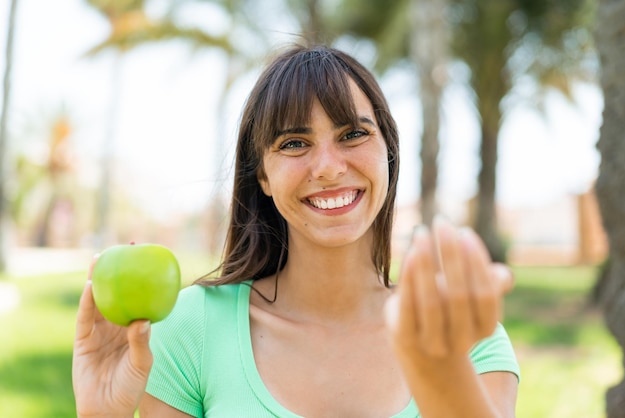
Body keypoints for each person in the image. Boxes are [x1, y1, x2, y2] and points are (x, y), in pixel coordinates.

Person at [73, 44, 519, 417]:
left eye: (352, 134)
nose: (328, 168)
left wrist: (439, 371)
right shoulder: (193, 328)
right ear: (262, 177)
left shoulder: (466, 336)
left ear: (389, 153)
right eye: (294, 144)